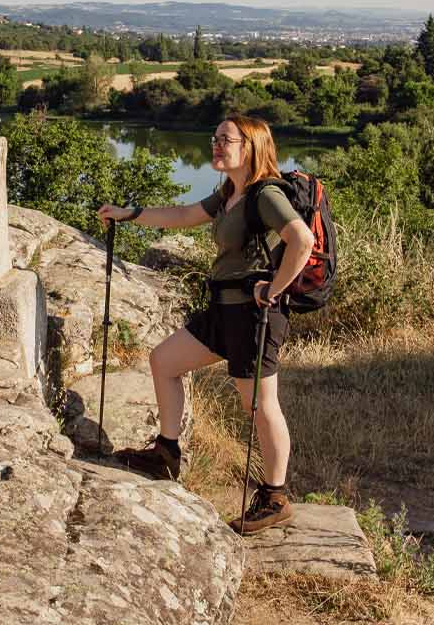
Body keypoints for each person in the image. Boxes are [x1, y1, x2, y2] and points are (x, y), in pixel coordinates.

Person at [96, 114, 316, 535]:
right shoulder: (230, 193)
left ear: (249, 147)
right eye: (214, 138)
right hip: (222, 311)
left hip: (254, 316)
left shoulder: (265, 194)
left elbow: (301, 240)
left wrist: (274, 288)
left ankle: (275, 496)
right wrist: (129, 214)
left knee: (259, 405)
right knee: (164, 361)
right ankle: (166, 453)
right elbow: (183, 215)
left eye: (225, 140)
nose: (215, 145)